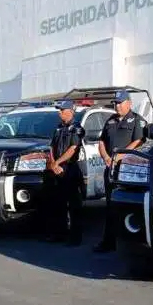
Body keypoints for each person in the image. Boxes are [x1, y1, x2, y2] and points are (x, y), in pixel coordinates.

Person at [93, 90, 146, 253]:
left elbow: (139, 141)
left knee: (127, 205)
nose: (116, 106)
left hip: (128, 171)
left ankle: (131, 243)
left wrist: (120, 156)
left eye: (120, 103)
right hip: (111, 169)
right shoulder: (110, 120)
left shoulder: (137, 120)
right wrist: (107, 158)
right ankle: (108, 242)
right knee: (109, 205)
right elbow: (101, 141)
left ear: (129, 103)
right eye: (115, 103)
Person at [47, 100, 85, 246]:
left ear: (70, 111)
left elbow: (73, 149)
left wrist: (58, 163)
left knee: (74, 205)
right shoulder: (58, 128)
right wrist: (53, 163)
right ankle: (59, 234)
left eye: (62, 110)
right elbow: (51, 147)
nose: (59, 113)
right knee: (58, 203)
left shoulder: (76, 128)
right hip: (57, 169)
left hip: (70, 168)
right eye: (59, 110)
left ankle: (75, 238)